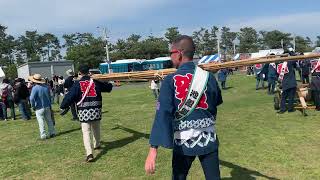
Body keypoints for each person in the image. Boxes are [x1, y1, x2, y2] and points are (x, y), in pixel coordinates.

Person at [145, 35, 222, 179]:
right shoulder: (209, 77)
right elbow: (216, 102)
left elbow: (163, 114)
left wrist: (153, 149)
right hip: (209, 137)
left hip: (184, 141)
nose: (170, 57)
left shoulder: (170, 80)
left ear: (179, 53)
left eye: (171, 53)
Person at [60, 65, 113, 162]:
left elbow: (69, 97)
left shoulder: (77, 84)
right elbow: (108, 88)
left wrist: (63, 105)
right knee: (96, 128)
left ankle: (89, 154)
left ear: (79, 72)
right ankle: (97, 145)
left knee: (86, 132)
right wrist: (107, 80)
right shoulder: (95, 82)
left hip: (84, 111)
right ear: (88, 72)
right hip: (96, 110)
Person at [29, 74, 56, 139]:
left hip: (38, 107)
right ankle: (52, 133)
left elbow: (32, 98)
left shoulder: (35, 88)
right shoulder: (46, 87)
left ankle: (43, 135)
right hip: (47, 106)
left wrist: (33, 106)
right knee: (49, 120)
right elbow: (50, 96)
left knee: (41, 121)